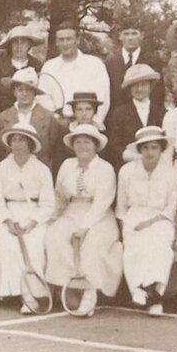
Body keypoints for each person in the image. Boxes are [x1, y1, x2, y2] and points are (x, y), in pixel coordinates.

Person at [46, 122, 120, 317]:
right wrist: (53, 218)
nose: (82, 146)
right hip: (71, 212)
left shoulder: (105, 168)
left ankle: (89, 295)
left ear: (95, 145)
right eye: (78, 142)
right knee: (54, 235)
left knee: (92, 243)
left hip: (99, 217)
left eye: (87, 142)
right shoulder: (66, 165)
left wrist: (85, 227)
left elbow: (102, 202)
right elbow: (59, 196)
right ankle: (70, 287)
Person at [0, 124, 57, 313]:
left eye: (22, 140)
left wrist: (33, 222)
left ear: (30, 144)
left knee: (34, 243)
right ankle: (20, 295)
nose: (17, 144)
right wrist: (8, 221)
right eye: (14, 140)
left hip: (34, 216)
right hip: (9, 215)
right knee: (6, 243)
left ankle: (33, 295)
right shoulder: (0, 168)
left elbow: (48, 204)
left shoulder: (42, 169)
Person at [116, 125, 177, 315]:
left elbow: (170, 208)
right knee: (135, 243)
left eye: (154, 148)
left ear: (161, 150)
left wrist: (150, 222)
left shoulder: (171, 173)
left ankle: (154, 292)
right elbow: (121, 207)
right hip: (134, 216)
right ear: (140, 150)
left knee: (159, 243)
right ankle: (141, 290)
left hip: (161, 219)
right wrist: (126, 228)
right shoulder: (126, 171)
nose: (150, 152)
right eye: (146, 148)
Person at [39, 22, 111, 114]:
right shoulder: (49, 67)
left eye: (69, 39)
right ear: (56, 42)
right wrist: (56, 119)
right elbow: (43, 99)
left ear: (77, 40)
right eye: (61, 39)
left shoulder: (95, 65)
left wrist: (92, 125)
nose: (65, 43)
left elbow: (102, 98)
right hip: (56, 124)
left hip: (88, 124)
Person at [0, 67, 59, 158]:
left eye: (28, 89)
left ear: (35, 92)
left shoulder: (48, 117)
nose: (24, 93)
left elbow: (52, 148)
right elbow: (0, 149)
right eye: (20, 89)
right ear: (14, 92)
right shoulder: (3, 117)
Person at [106, 62, 167, 160]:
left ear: (150, 86)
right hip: (129, 165)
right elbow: (114, 146)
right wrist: (134, 157)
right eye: (135, 85)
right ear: (129, 88)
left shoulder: (162, 113)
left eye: (143, 84)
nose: (139, 89)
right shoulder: (120, 113)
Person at [106, 17, 154, 117]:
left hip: (145, 116)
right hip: (116, 120)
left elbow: (157, 93)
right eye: (126, 34)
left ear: (142, 35)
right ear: (120, 36)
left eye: (134, 33)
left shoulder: (152, 61)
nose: (130, 38)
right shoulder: (110, 62)